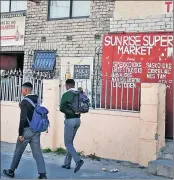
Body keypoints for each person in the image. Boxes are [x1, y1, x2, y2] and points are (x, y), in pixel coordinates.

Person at [3, 82, 47, 179]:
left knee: (18, 150)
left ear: (26, 90)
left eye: (22, 89)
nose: (21, 91)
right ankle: (42, 174)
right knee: (37, 152)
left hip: (27, 130)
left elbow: (23, 119)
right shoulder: (37, 99)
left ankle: (11, 171)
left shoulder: (25, 101)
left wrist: (20, 134)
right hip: (36, 130)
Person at [60, 79, 84, 173]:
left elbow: (62, 107)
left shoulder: (66, 95)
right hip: (78, 120)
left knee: (67, 143)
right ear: (74, 85)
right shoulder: (79, 93)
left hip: (70, 120)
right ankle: (67, 163)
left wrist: (70, 112)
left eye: (65, 85)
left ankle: (78, 161)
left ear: (67, 85)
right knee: (70, 142)